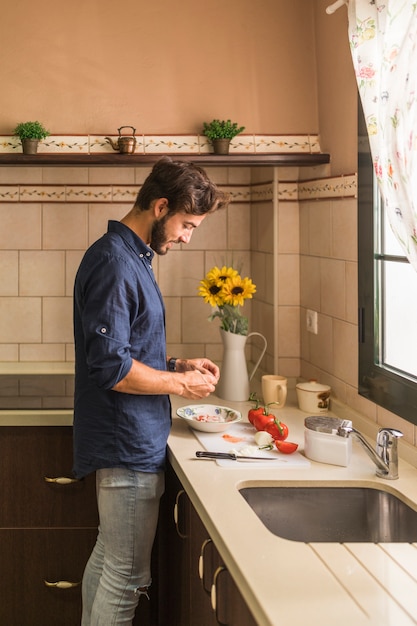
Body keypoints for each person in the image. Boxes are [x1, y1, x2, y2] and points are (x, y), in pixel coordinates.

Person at [73, 156, 229, 625]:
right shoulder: (115, 262)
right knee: (127, 575)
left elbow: (127, 348)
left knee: (108, 560)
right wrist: (181, 383)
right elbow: (112, 368)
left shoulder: (131, 256)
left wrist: (176, 364)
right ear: (161, 206)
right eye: (186, 224)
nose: (186, 237)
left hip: (130, 437)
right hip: (126, 443)